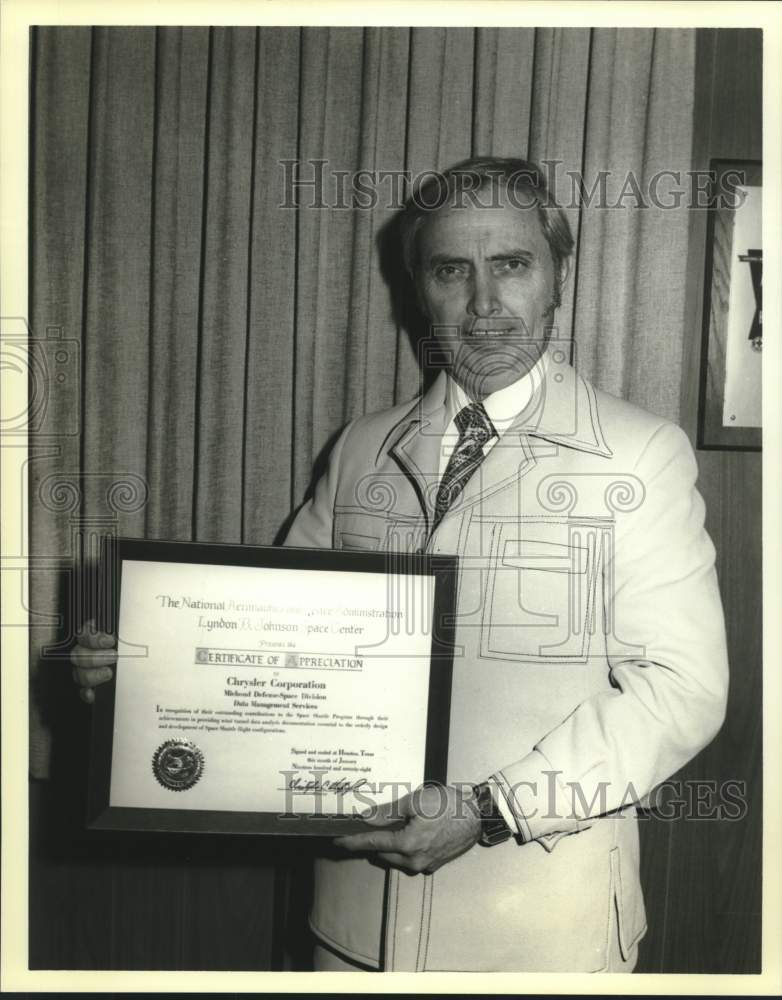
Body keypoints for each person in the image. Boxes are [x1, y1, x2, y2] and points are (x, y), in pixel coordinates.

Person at [71, 157, 729, 973]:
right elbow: (275, 645)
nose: (484, 304)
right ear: (419, 287)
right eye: (453, 270)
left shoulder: (640, 453)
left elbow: (683, 690)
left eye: (512, 265)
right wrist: (144, 673)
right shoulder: (358, 449)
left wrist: (489, 808)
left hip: (540, 936)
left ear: (559, 274)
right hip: (352, 930)